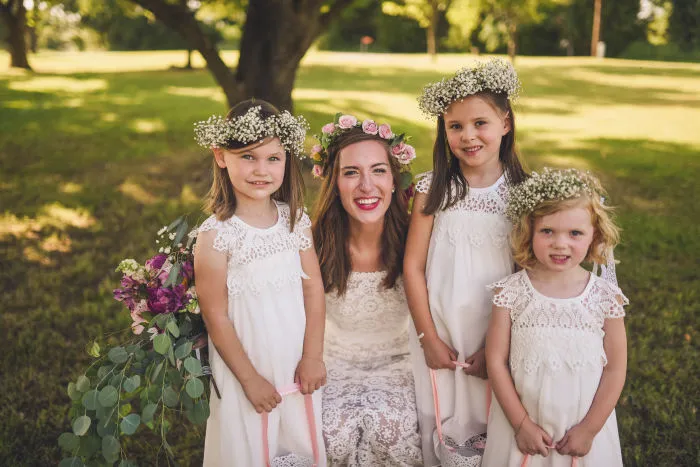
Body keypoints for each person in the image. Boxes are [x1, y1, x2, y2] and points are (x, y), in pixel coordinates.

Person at [404, 58, 528, 466]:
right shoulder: (433, 189)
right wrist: (428, 338)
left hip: (497, 330)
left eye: (480, 123)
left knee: (493, 419)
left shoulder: (522, 193)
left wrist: (498, 345)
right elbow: (413, 268)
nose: (468, 136)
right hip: (439, 329)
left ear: (505, 124)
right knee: (442, 415)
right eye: (455, 126)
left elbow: (527, 273)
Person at [193, 99, 327, 466]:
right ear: (221, 156)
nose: (261, 170)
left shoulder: (294, 222)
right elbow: (216, 316)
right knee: (251, 446)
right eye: (248, 157)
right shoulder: (216, 236)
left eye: (273, 158)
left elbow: (313, 289)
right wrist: (250, 380)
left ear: (287, 159)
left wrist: (313, 356)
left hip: (296, 363)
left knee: (297, 439)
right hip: (246, 369)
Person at [483, 168, 627, 467]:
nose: (560, 244)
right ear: (529, 231)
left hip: (584, 427)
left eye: (575, 233)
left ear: (594, 236)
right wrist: (521, 423)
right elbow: (495, 361)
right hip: (522, 426)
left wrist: (589, 429)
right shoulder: (510, 292)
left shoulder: (604, 297)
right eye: (547, 231)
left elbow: (615, 369)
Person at [310, 114, 423, 466]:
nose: (366, 186)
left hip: (400, 363)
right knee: (330, 432)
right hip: (332, 361)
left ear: (394, 180)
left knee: (391, 426)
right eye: (350, 173)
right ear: (333, 182)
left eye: (378, 171)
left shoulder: (417, 241)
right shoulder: (312, 244)